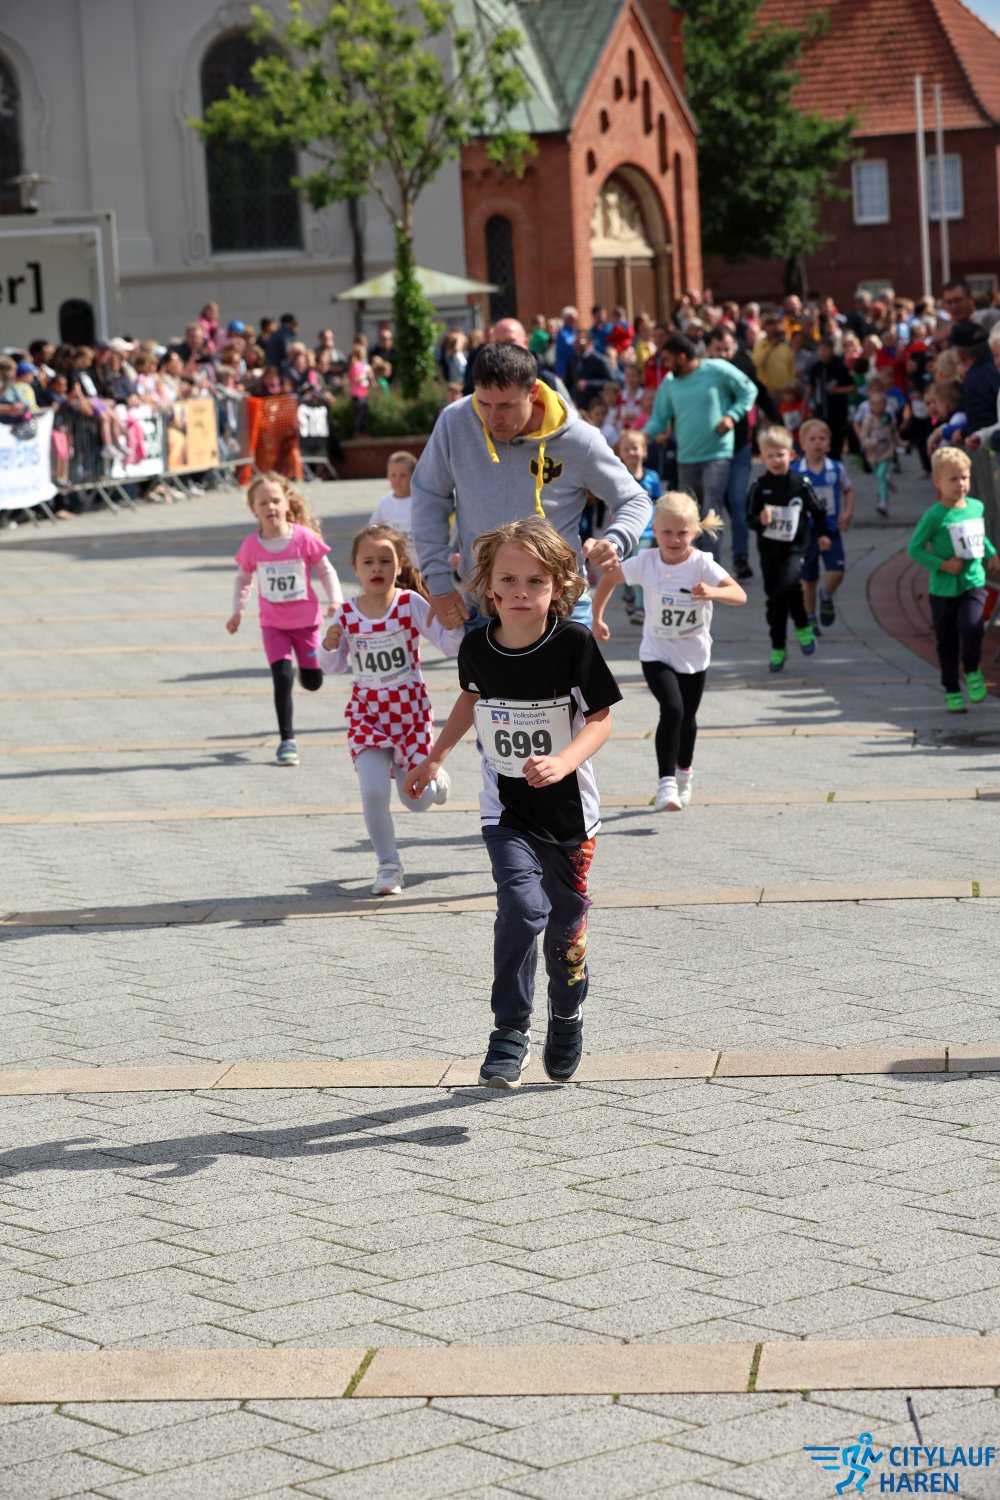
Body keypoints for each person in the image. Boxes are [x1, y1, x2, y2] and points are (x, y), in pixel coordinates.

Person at [405, 517, 621, 1089]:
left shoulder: (572, 644)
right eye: (509, 580)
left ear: (558, 586)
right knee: (523, 910)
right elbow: (471, 699)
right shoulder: (478, 645)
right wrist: (434, 756)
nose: (521, 592)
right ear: (488, 586)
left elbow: (600, 720)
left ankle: (567, 1015)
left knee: (565, 930)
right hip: (505, 811)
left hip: (571, 817)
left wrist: (565, 760)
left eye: (535, 581)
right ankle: (509, 1032)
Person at [410, 342, 653, 631]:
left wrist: (614, 541)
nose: (492, 418)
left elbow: (634, 500)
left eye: (505, 405)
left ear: (533, 393)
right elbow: (429, 497)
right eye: (483, 404)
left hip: (560, 606)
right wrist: (438, 585)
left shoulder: (579, 439)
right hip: (485, 604)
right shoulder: (454, 421)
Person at [319, 524, 461, 894]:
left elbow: (448, 645)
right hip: (367, 716)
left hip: (410, 716)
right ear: (355, 566)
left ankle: (437, 780)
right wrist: (328, 645)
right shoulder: (346, 614)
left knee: (417, 802)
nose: (377, 568)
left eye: (385, 560)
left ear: (400, 565)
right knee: (373, 792)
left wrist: (454, 626)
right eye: (368, 561)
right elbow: (331, 667)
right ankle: (388, 866)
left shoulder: (409, 603)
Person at [592, 492, 746, 811]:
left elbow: (739, 595)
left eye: (682, 533)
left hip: (694, 655)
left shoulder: (701, 564)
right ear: (655, 530)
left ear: (695, 531)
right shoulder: (646, 561)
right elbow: (609, 579)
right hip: (656, 653)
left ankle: (684, 772)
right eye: (667, 532)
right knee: (672, 710)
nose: (674, 539)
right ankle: (666, 784)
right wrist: (597, 618)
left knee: (687, 718)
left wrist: (713, 591)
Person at [227, 472, 342, 765]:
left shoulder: (302, 538)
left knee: (313, 682)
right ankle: (287, 741)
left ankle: (307, 668)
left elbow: (326, 570)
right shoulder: (251, 546)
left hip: (306, 623)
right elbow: (243, 580)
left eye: (275, 500)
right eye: (263, 502)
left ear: (287, 503)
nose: (270, 507)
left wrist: (335, 600)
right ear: (254, 509)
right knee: (281, 678)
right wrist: (237, 611)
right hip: (273, 625)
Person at [643, 333, 757, 562]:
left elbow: (749, 391)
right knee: (688, 513)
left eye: (668, 359)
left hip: (717, 452)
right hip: (686, 456)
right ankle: (689, 564)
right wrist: (641, 436)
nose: (666, 365)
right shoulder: (670, 383)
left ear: (682, 357)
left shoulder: (717, 369)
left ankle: (710, 564)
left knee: (711, 508)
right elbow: (659, 419)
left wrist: (732, 416)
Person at [906, 446, 999, 712]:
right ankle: (951, 689)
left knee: (973, 628)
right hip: (943, 588)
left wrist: (992, 553)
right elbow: (915, 549)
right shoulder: (934, 516)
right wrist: (942, 564)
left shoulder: (976, 507)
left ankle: (971, 669)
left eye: (965, 477)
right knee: (947, 641)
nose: (960, 484)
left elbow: (978, 535)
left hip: (973, 581)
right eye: (953, 479)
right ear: (937, 482)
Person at [746, 425, 830, 673]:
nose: (775, 460)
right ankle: (778, 646)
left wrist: (823, 534)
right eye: (770, 456)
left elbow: (818, 511)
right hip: (769, 552)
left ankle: (803, 626)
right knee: (775, 601)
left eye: (780, 454)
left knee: (791, 584)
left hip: (796, 548)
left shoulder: (800, 485)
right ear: (762, 458)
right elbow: (748, 519)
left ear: (791, 455)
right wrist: (760, 519)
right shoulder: (759, 487)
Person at [793, 419, 854, 634]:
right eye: (812, 439)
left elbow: (848, 490)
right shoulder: (796, 471)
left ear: (829, 443)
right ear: (802, 444)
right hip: (806, 532)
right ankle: (810, 617)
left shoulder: (835, 468)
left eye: (822, 438)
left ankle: (826, 595)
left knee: (837, 572)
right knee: (808, 579)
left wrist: (847, 512)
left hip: (830, 527)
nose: (817, 443)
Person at [614, 429, 662, 624]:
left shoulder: (652, 478)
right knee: (623, 567)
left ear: (644, 451)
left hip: (646, 532)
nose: (631, 453)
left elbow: (658, 503)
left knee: (641, 566)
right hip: (623, 531)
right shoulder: (617, 477)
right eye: (626, 449)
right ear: (620, 453)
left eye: (635, 448)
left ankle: (641, 608)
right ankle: (629, 596)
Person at [806, 338, 854, 459]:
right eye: (821, 350)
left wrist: (836, 390)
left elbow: (852, 387)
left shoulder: (840, 367)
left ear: (832, 350)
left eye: (826, 349)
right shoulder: (816, 368)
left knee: (836, 439)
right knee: (821, 436)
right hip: (821, 410)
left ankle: (836, 461)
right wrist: (804, 404)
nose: (823, 353)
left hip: (837, 411)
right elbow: (811, 387)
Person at [857, 388, 897, 516]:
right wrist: (873, 441)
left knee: (880, 475)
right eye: (875, 404)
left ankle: (883, 503)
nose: (879, 407)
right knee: (879, 476)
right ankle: (888, 482)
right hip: (873, 454)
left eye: (881, 403)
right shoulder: (868, 421)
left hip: (886, 453)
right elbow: (863, 438)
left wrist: (901, 443)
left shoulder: (888, 419)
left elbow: (894, 434)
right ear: (870, 405)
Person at [370, 450, 417, 532]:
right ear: (388, 475)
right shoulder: (385, 502)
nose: (397, 480)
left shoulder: (420, 502)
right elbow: (373, 527)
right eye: (393, 475)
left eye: (403, 475)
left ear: (414, 476)